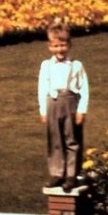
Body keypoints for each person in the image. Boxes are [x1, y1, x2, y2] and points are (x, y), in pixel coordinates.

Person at [38, 22, 89, 192]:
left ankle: (71, 175)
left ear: (69, 45)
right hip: (52, 103)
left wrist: (82, 110)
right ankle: (57, 173)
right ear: (49, 46)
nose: (60, 50)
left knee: (71, 140)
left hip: (70, 104)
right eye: (56, 46)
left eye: (63, 45)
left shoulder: (76, 65)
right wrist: (43, 110)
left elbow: (84, 89)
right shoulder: (46, 65)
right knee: (55, 140)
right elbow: (42, 88)